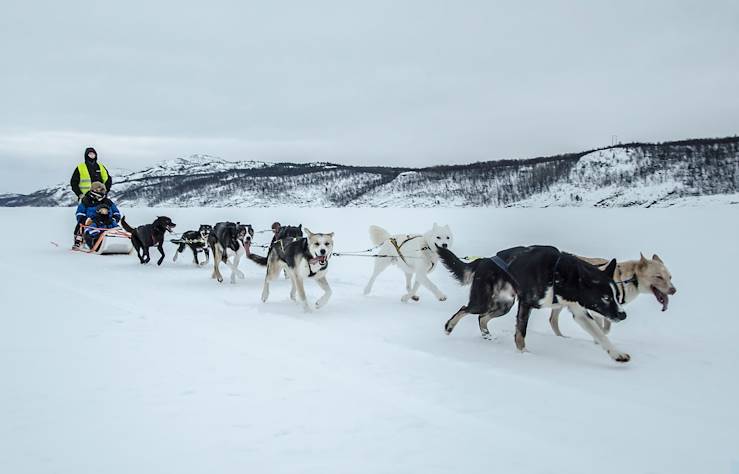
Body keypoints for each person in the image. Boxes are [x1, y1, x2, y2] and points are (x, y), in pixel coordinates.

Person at [73, 181, 121, 248]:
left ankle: (120, 241)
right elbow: (80, 213)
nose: (103, 192)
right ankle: (79, 240)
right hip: (91, 222)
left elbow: (116, 212)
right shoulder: (86, 201)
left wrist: (115, 219)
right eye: (101, 190)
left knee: (116, 228)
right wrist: (85, 220)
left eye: (103, 190)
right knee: (80, 226)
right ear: (95, 190)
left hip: (107, 220)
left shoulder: (107, 201)